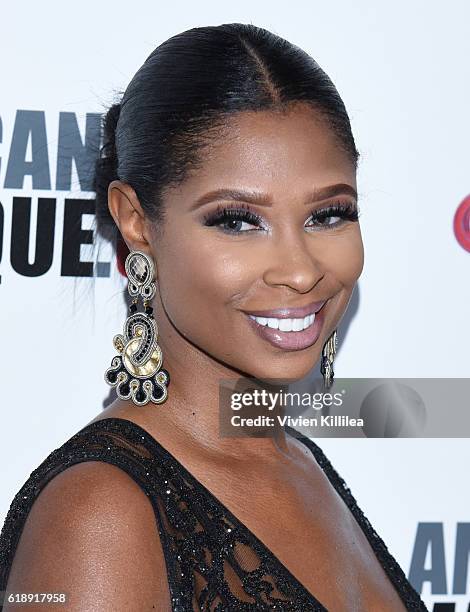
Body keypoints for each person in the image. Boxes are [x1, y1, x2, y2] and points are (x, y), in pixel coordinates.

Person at [0, 23, 428, 611]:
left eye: (328, 214)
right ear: (135, 221)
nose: (300, 272)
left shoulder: (304, 464)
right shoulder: (100, 516)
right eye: (237, 220)